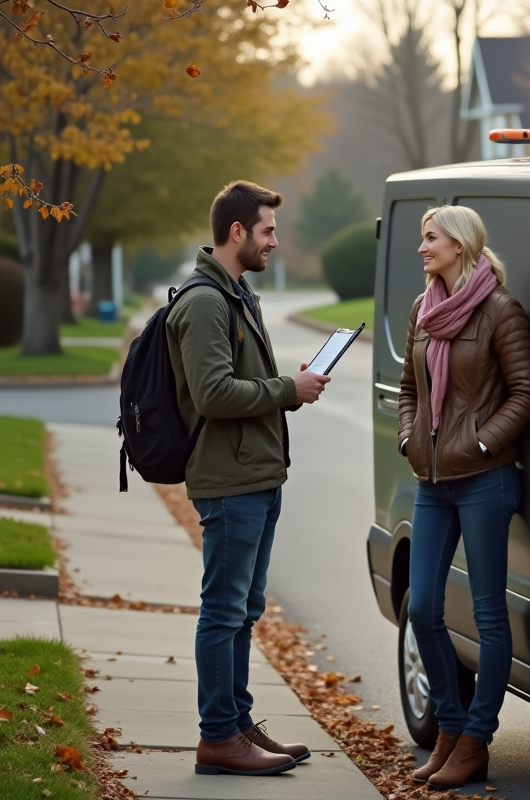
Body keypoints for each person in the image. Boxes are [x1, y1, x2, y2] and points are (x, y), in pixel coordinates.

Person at [167, 181, 330, 776]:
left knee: (243, 608)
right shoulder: (206, 301)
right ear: (237, 232)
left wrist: (291, 381)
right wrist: (289, 390)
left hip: (256, 475)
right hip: (229, 481)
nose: (274, 241)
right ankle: (217, 736)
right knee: (223, 609)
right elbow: (211, 394)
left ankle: (236, 722)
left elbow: (238, 381)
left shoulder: (236, 293)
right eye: (266, 231)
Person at [397, 205, 530, 789]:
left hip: (485, 480)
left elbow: (526, 393)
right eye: (422, 238)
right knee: (424, 607)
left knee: (486, 614)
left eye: (430, 238)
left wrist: (481, 446)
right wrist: (410, 437)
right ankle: (451, 730)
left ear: (459, 244)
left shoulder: (501, 311)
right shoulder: (423, 308)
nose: (422, 248)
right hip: (433, 481)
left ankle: (478, 739)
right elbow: (411, 387)